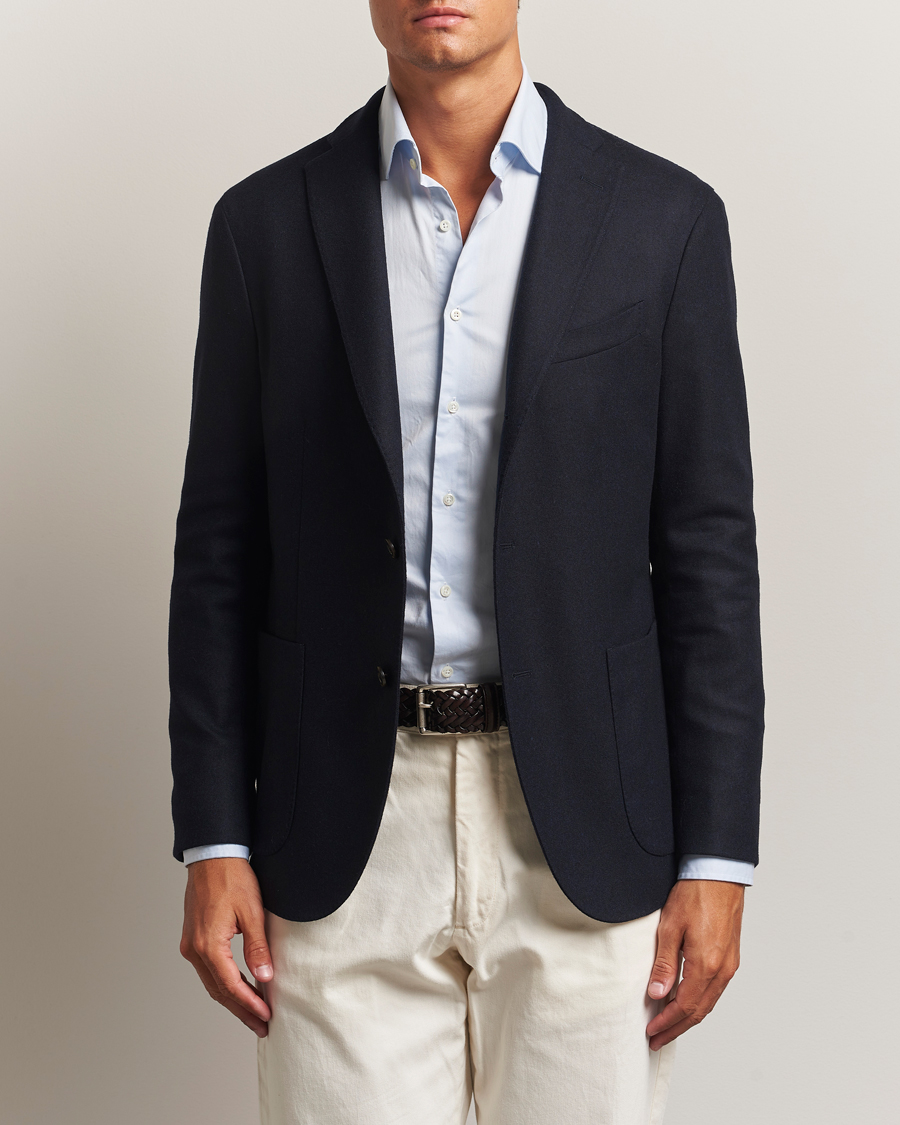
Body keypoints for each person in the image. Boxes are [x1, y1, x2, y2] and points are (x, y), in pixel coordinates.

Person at [170, 2, 764, 1122]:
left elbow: (708, 555)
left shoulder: (663, 220)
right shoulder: (264, 225)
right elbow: (218, 553)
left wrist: (719, 858)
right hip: (343, 827)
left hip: (587, 828)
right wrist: (214, 838)